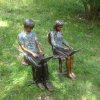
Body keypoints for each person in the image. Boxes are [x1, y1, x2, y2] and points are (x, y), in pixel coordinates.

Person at [17, 19, 53, 91]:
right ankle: (39, 81)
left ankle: (46, 81)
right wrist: (32, 53)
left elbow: (36, 42)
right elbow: (23, 48)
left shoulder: (33, 33)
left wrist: (39, 50)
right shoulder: (20, 35)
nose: (30, 29)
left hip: (36, 53)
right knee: (38, 65)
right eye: (29, 28)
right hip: (27, 55)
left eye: (32, 28)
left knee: (45, 64)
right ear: (25, 27)